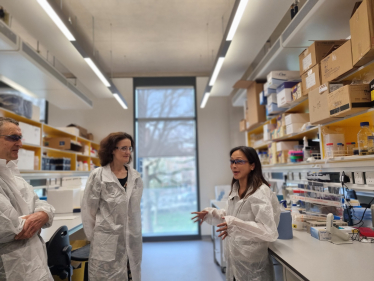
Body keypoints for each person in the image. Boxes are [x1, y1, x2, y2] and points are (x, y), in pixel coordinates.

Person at [192, 146, 280, 281]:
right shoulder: (235, 188)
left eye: (239, 161)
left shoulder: (260, 192)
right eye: (232, 161)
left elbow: (268, 230)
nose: (234, 166)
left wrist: (235, 224)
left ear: (252, 165)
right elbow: (231, 214)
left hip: (253, 263)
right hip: (235, 261)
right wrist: (212, 214)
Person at [82, 132, 143, 281]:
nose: (128, 152)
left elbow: (134, 210)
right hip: (105, 241)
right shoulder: (98, 175)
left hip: (131, 240)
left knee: (131, 276)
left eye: (130, 148)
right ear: (112, 150)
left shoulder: (136, 177)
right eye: (123, 148)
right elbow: (88, 211)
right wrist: (96, 238)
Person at [0, 117, 55, 281]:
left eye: (20, 138)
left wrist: (43, 214)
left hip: (34, 263)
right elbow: (9, 227)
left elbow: (41, 203)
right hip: (11, 268)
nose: (20, 144)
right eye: (13, 138)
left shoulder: (11, 172)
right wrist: (37, 220)